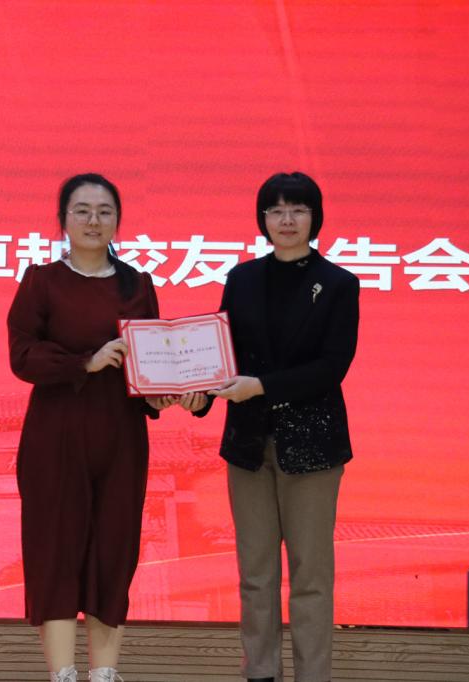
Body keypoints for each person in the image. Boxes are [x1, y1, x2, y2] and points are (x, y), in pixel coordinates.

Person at [7, 173, 204, 682]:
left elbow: (151, 362)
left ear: (118, 220)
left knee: (114, 552)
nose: (93, 221)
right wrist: (85, 362)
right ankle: (63, 674)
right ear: (63, 219)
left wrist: (165, 393)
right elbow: (22, 356)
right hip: (56, 435)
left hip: (121, 437)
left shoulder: (138, 284)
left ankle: (104, 673)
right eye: (82, 211)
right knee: (55, 552)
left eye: (104, 211)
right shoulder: (41, 281)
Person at [199, 172, 359, 682]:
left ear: (315, 217)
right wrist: (197, 394)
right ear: (262, 219)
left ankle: (313, 675)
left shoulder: (339, 284)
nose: (286, 220)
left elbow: (331, 367)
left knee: (310, 575)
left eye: (298, 209)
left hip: (312, 447)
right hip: (247, 444)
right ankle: (260, 672)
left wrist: (261, 386)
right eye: (276, 210)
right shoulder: (242, 278)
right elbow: (221, 354)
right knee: (255, 573)